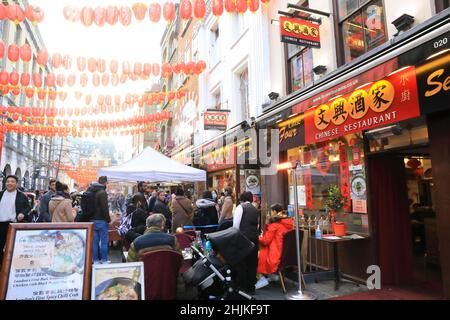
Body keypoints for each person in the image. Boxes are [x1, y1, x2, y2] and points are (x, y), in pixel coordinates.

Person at [255, 204, 294, 289]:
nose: (269, 213)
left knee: (254, 256)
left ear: (275, 212)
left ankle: (261, 278)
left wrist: (257, 237)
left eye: (271, 212)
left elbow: (265, 241)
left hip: (275, 255)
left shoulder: (274, 226)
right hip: (287, 255)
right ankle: (272, 275)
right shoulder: (289, 225)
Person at [0, 175, 31, 268]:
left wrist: (22, 213)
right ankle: (2, 266)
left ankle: (12, 266)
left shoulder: (21, 195)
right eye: (8, 181)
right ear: (5, 183)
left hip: (14, 225)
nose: (9, 183)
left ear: (16, 184)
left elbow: (28, 207)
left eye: (12, 181)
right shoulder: (1, 194)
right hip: (1, 223)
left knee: (13, 246)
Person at [233, 191, 260, 294]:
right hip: (254, 238)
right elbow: (257, 226)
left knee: (242, 263)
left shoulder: (241, 207)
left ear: (242, 199)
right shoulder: (255, 209)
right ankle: (251, 288)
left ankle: (242, 287)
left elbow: (236, 225)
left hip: (243, 238)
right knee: (252, 263)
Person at [90, 176, 111, 264]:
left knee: (94, 242)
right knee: (104, 242)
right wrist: (108, 219)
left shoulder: (91, 191)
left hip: (92, 220)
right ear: (105, 182)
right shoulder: (102, 192)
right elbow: (104, 208)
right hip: (101, 220)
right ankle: (104, 260)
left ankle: (95, 261)